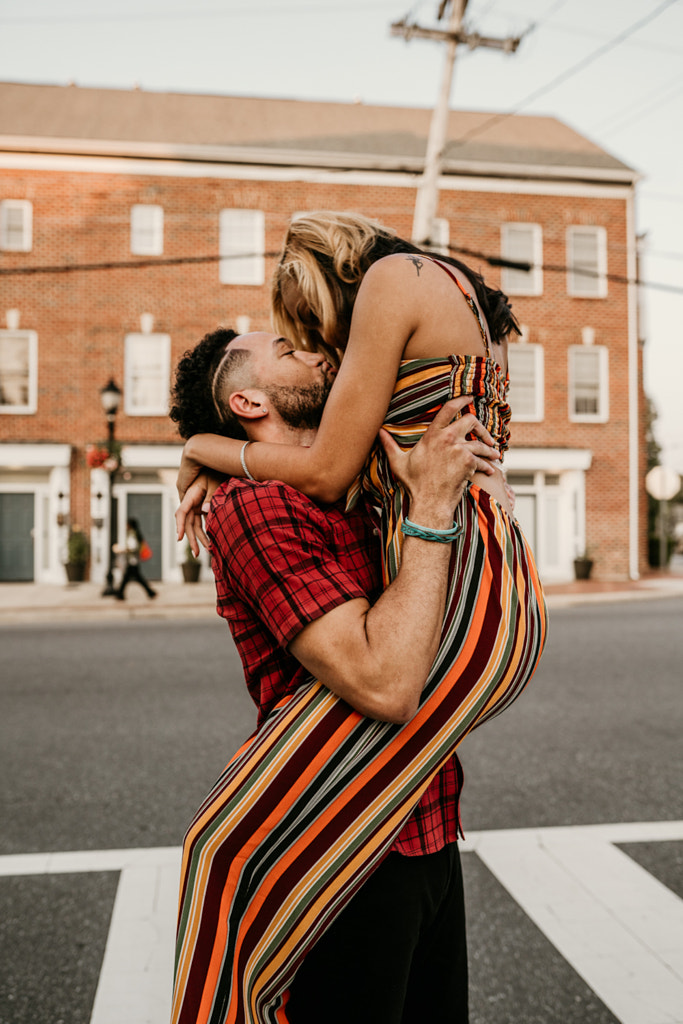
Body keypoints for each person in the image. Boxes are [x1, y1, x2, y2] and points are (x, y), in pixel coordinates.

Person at [171, 213, 547, 1024]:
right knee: (222, 857)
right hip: (347, 841)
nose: (313, 348)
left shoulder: (357, 475)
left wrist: (208, 448)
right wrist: (212, 452)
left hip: (421, 819)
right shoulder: (264, 509)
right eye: (286, 348)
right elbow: (384, 681)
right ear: (246, 399)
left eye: (304, 328)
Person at [114, 517, 156, 600]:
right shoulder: (133, 534)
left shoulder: (132, 534)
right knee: (134, 578)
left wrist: (122, 550)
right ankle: (150, 592)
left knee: (129, 578)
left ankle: (120, 594)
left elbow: (133, 547)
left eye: (127, 524)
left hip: (132, 561)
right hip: (132, 561)